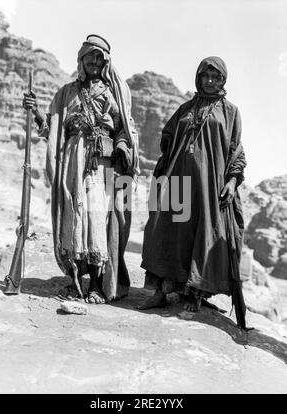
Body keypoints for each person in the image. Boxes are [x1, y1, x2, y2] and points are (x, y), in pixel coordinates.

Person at [23, 34, 139, 304]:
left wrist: (122, 148)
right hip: (74, 160)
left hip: (102, 163)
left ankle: (97, 285)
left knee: (97, 218)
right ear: (82, 59)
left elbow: (126, 128)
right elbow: (53, 128)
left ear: (106, 61)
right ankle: (76, 282)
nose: (95, 62)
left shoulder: (115, 93)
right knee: (75, 216)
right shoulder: (67, 92)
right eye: (90, 57)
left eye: (99, 57)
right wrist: (37, 111)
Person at [139, 56, 247, 325]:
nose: (209, 81)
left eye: (215, 77)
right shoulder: (186, 107)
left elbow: (236, 151)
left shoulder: (230, 112)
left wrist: (232, 182)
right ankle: (161, 291)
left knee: (202, 234)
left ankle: (194, 293)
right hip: (178, 179)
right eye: (205, 76)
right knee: (167, 229)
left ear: (223, 80)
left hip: (208, 186)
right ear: (198, 77)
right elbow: (168, 135)